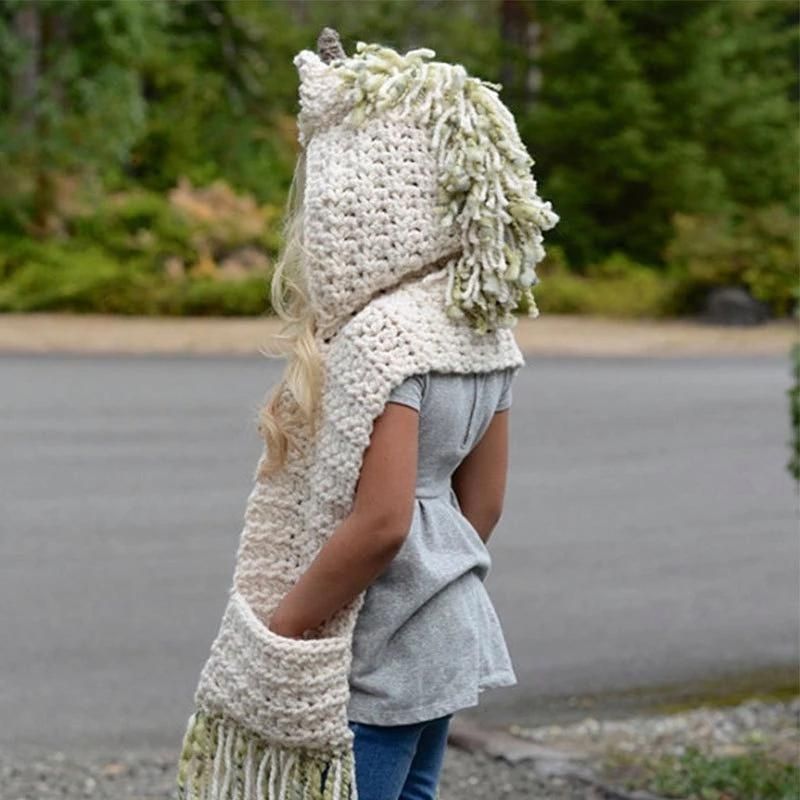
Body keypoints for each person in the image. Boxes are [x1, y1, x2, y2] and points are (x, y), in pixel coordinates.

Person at [176, 29, 558, 800]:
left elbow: (381, 522)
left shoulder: (382, 338)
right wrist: (433, 586)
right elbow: (482, 505)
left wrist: (281, 633)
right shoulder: (481, 326)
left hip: (375, 655)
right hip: (444, 637)